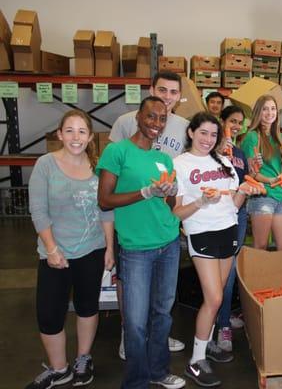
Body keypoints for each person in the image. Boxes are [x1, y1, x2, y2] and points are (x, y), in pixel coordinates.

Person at [97, 97, 185, 389]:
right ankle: (136, 382)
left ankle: (158, 372)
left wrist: (169, 192)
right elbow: (104, 199)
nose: (156, 124)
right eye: (151, 117)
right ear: (139, 116)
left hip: (169, 242)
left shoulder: (165, 158)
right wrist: (144, 192)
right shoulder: (117, 151)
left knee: (162, 313)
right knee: (134, 322)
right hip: (135, 248)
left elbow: (171, 203)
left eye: (162, 119)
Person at [172, 112, 262, 387]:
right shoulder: (179, 164)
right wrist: (201, 200)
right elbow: (176, 212)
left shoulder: (224, 162)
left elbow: (233, 204)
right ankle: (195, 361)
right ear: (191, 133)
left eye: (213, 135)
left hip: (229, 230)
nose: (208, 139)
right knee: (213, 298)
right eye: (203, 133)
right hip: (202, 233)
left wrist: (245, 189)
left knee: (219, 296)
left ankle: (205, 341)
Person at [27, 110, 114, 389]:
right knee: (49, 314)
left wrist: (110, 247)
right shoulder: (45, 165)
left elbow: (106, 211)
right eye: (70, 130)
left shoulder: (98, 167)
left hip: (92, 250)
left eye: (81, 132)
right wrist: (51, 249)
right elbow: (38, 211)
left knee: (88, 307)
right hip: (55, 254)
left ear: (89, 137)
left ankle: (83, 359)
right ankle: (59, 368)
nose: (75, 137)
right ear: (59, 134)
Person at [240, 95, 282, 250]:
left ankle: (281, 275)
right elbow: (251, 173)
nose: (269, 112)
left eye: (273, 109)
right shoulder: (252, 137)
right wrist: (269, 180)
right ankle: (253, 275)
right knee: (261, 245)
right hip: (262, 196)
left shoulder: (279, 137)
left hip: (280, 196)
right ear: (258, 112)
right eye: (265, 109)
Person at [215, 105, 250, 353]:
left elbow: (245, 181)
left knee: (231, 272)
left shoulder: (240, 152)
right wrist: (221, 149)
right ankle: (221, 325)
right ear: (222, 121)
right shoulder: (213, 149)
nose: (236, 126)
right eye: (232, 121)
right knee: (221, 276)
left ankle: (224, 318)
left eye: (240, 122)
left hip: (239, 213)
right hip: (216, 217)